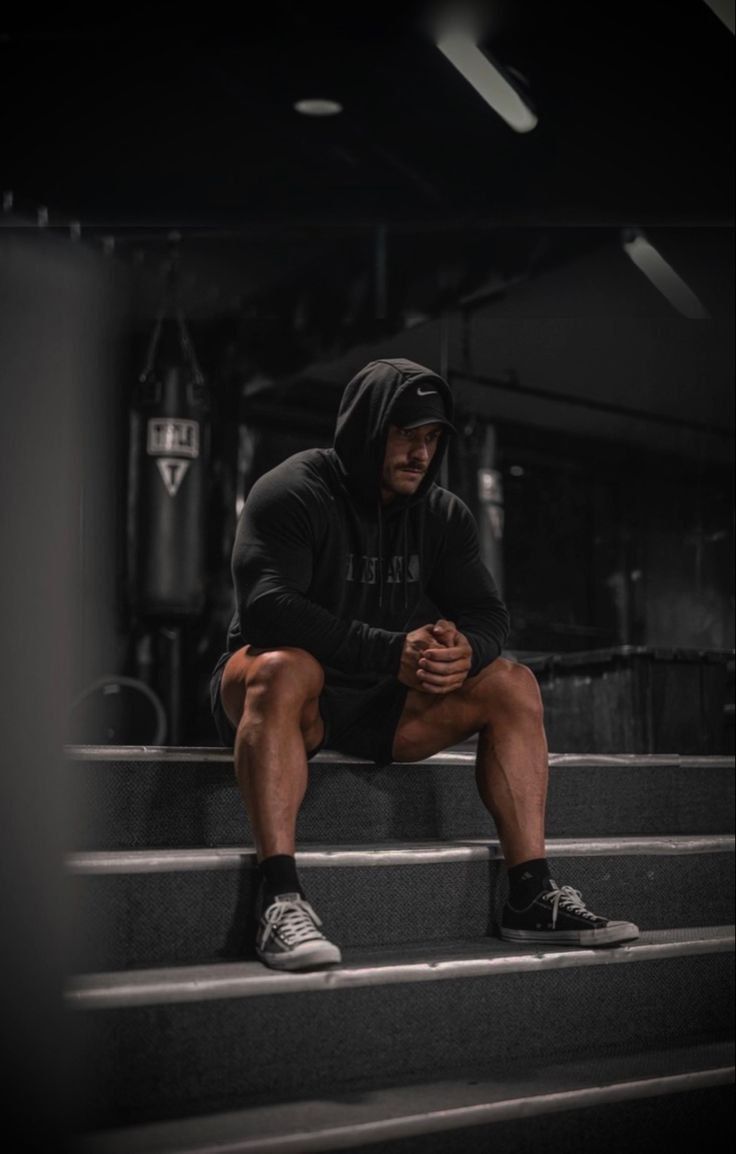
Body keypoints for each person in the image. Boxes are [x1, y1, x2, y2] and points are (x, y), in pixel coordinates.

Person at [209, 357, 639, 970]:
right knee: (284, 666)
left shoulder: (442, 515)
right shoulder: (295, 489)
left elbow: (489, 615)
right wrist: (391, 650)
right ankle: (279, 900)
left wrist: (468, 650)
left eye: (432, 437)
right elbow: (266, 609)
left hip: (381, 704)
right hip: (286, 699)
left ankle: (530, 895)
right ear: (368, 429)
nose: (420, 452)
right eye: (406, 434)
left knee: (513, 684)